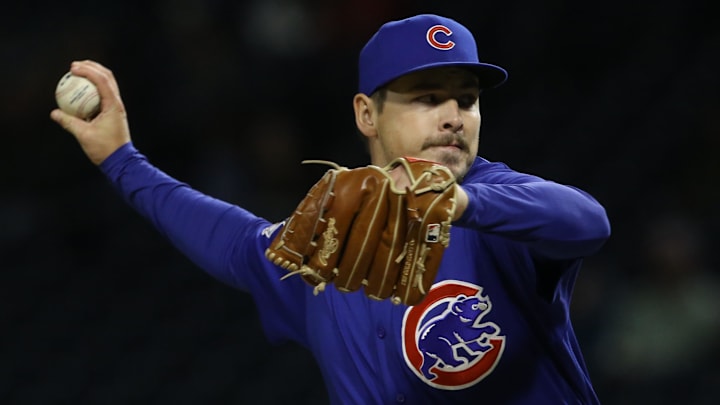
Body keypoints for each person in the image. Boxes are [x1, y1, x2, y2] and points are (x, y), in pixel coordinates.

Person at [51, 14, 611, 405]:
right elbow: (232, 242)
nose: (453, 116)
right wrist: (121, 160)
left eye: (465, 98)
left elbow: (586, 221)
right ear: (367, 115)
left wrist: (461, 203)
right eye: (426, 96)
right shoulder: (331, 235)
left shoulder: (500, 207)